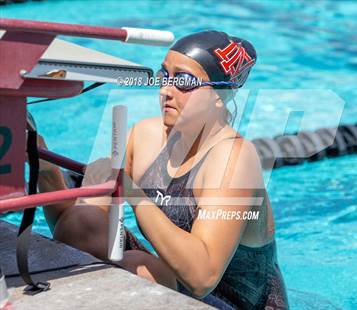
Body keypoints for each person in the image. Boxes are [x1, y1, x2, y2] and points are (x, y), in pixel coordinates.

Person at [37, 30, 288, 309]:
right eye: (164, 75)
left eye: (183, 81)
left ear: (220, 94)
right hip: (178, 288)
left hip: (237, 303)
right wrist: (44, 168)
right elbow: (70, 233)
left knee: (139, 269)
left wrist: (134, 194)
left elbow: (202, 277)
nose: (166, 90)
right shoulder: (143, 136)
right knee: (85, 223)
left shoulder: (234, 158)